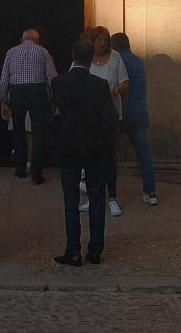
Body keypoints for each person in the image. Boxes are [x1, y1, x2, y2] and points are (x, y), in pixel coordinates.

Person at [51, 40, 118, 267]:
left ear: (72, 56)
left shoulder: (58, 83)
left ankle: (73, 250)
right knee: (97, 198)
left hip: (69, 147)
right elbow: (109, 119)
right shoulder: (100, 85)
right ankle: (95, 249)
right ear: (91, 60)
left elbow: (55, 117)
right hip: (95, 147)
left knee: (70, 200)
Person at [0, 28, 58, 184]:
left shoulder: (11, 52)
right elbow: (53, 78)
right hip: (37, 90)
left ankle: (20, 169)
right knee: (38, 131)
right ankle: (37, 174)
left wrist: (3, 100)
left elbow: (5, 77)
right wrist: (54, 99)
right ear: (37, 40)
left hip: (17, 91)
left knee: (18, 130)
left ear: (22, 39)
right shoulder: (43, 52)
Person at [111, 32, 158, 206]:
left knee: (108, 153)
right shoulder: (138, 61)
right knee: (143, 154)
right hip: (139, 112)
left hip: (122, 113)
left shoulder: (117, 60)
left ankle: (109, 193)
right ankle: (150, 191)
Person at [87, 26, 128, 216]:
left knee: (109, 158)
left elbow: (124, 81)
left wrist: (115, 91)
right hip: (91, 116)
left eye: (105, 40)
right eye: (99, 40)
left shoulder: (115, 58)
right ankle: (94, 195)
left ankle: (112, 197)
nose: (103, 43)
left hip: (110, 115)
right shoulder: (86, 59)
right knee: (91, 158)